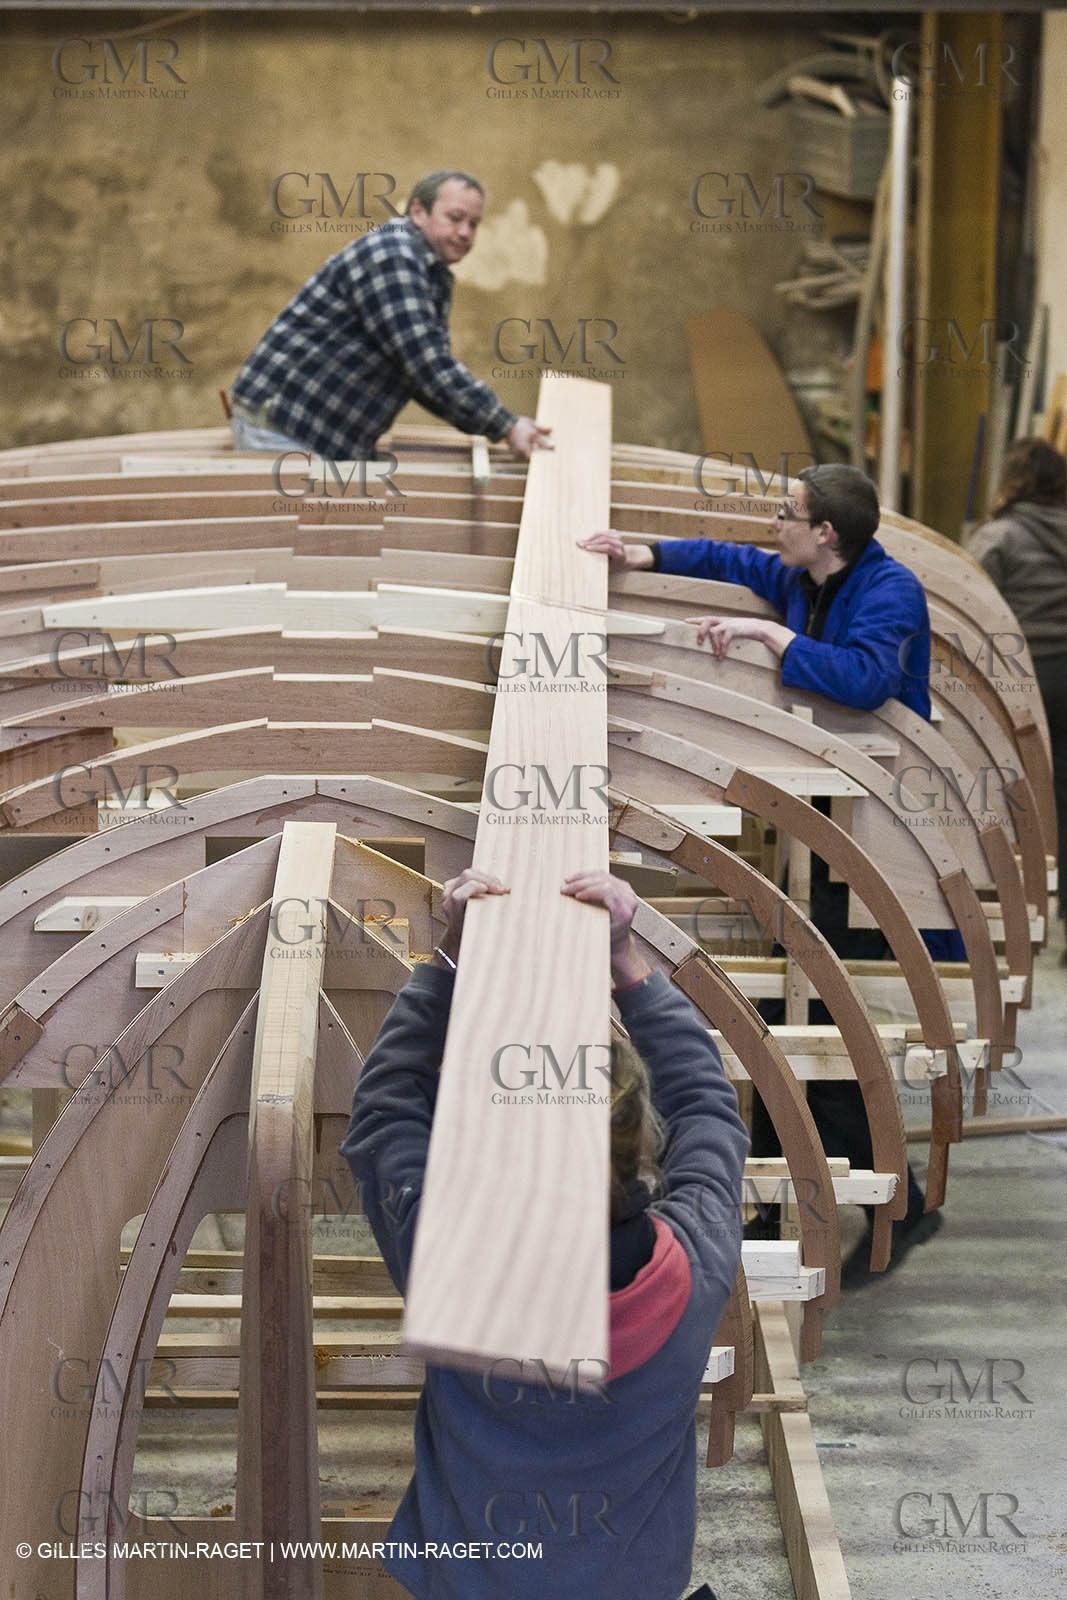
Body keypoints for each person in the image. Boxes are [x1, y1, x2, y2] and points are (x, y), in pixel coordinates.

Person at [580, 463, 945, 1284]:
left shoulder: (888, 593)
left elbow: (866, 679)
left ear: (825, 534)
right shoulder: (806, 569)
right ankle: (781, 1211)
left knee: (818, 1022)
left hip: (873, 836)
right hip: (819, 813)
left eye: (787, 516)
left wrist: (776, 641)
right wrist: (641, 553)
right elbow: (732, 560)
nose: (772, 525)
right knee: (788, 1015)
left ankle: (893, 1204)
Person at [341, 867, 748, 1600]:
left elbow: (383, 1113)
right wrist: (626, 961)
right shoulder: (691, 1267)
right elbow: (708, 1110)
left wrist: (452, 955)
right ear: (636, 1146)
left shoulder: (445, 1262)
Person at [229, 169, 552, 462]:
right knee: (300, 525)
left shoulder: (432, 273)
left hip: (313, 432)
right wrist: (506, 425)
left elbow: (421, 378)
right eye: (455, 218)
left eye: (474, 223)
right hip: (283, 429)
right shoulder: (392, 256)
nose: (465, 232)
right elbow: (426, 365)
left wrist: (499, 425)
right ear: (417, 212)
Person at [969, 437, 1067, 959]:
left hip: (1026, 684)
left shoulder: (999, 536)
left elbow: (971, 607)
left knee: (1023, 803)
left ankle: (1022, 920)